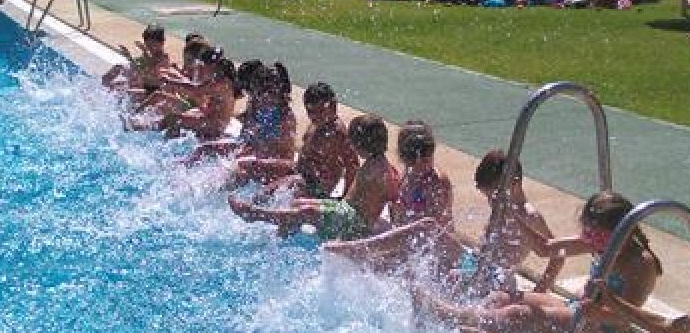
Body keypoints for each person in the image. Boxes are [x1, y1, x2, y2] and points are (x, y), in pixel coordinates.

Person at [411, 191, 662, 332]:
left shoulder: (641, 264)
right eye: (587, 233)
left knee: (520, 314)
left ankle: (449, 314)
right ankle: (474, 324)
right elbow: (545, 248)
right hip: (582, 309)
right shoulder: (603, 242)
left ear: (621, 231)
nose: (590, 241)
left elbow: (627, 318)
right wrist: (514, 215)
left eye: (596, 235)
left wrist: (595, 311)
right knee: (501, 298)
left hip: (601, 327)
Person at [325, 149, 559, 294]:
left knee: (426, 241)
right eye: (489, 196)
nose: (491, 200)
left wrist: (540, 290)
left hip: (495, 278)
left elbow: (557, 253)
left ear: (514, 182)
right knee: (424, 235)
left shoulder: (529, 215)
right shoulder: (503, 206)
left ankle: (357, 250)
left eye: (493, 194)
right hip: (475, 264)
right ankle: (362, 254)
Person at [228, 114, 400, 241]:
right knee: (299, 203)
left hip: (354, 222)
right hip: (345, 210)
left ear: (361, 143)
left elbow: (392, 198)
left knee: (307, 212)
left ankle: (255, 214)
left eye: (354, 142)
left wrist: (392, 228)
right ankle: (282, 239)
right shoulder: (373, 163)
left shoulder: (382, 172)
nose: (352, 147)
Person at [232, 81, 360, 199]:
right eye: (310, 111)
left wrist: (344, 199)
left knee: (264, 195)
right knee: (246, 166)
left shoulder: (338, 132)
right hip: (298, 171)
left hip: (315, 184)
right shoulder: (317, 123)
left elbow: (353, 165)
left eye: (320, 111)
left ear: (332, 106)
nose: (314, 116)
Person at [101, 23, 173, 94]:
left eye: (153, 46)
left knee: (119, 88)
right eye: (148, 45)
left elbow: (149, 80)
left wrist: (130, 58)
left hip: (149, 91)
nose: (150, 49)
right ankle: (103, 91)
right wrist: (129, 58)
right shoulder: (149, 55)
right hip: (139, 83)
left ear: (162, 43)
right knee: (117, 69)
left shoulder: (163, 60)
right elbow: (136, 66)